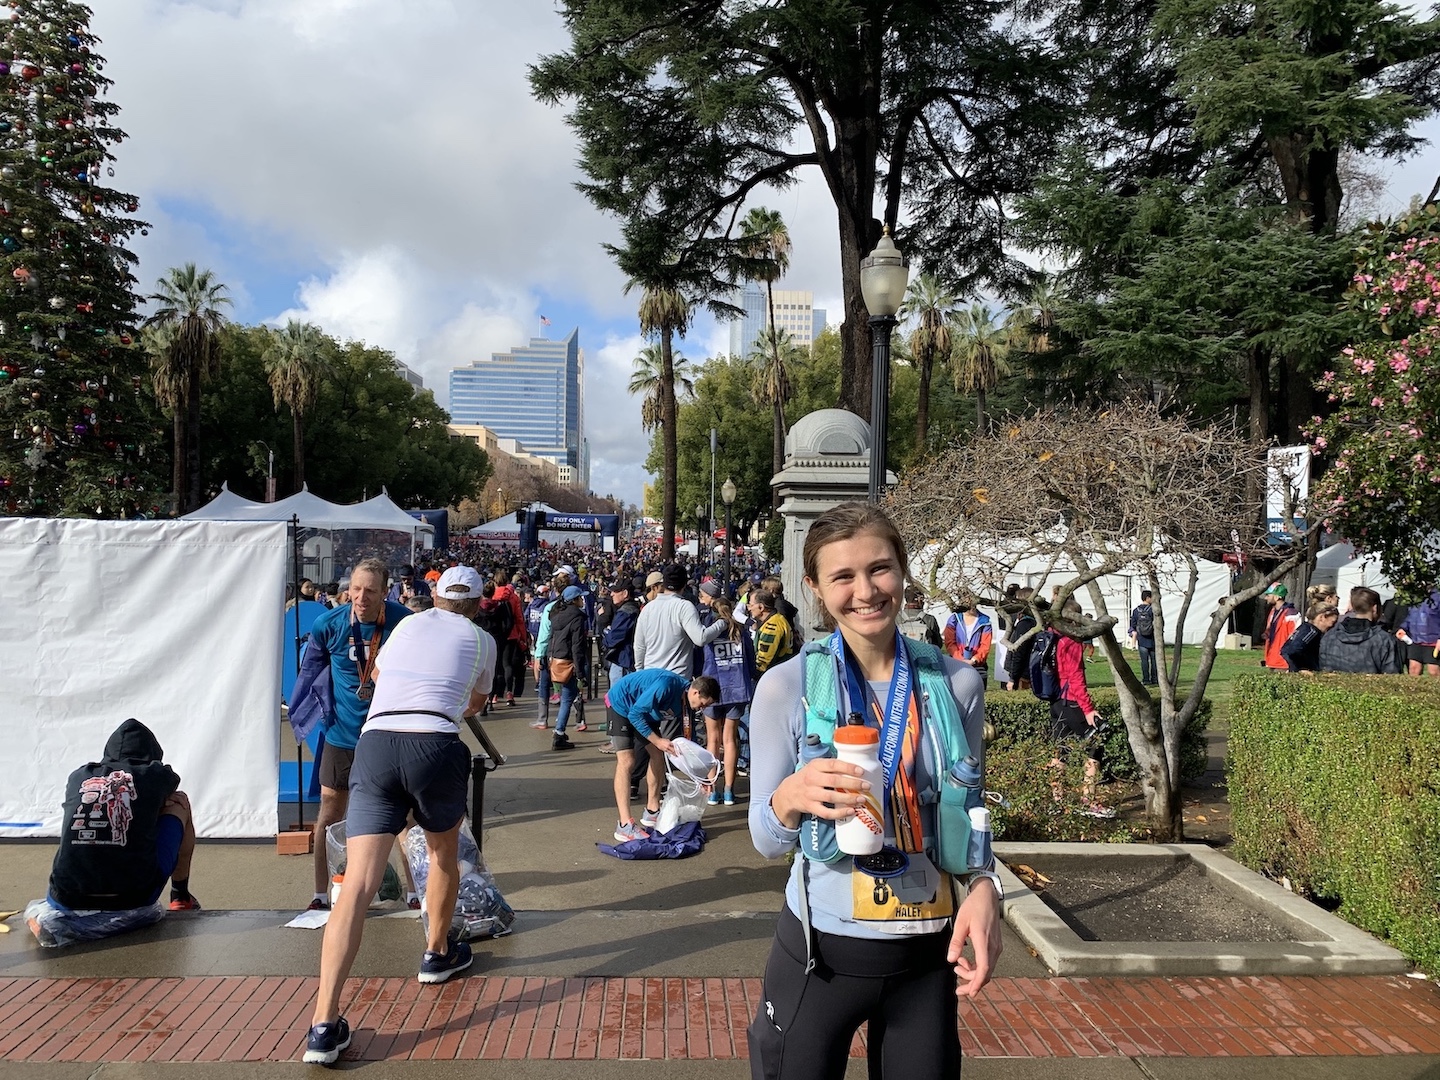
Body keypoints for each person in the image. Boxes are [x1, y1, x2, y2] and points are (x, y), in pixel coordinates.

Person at [746, 502, 1000, 1080]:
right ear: (813, 587)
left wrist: (985, 887)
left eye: (880, 568)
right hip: (820, 959)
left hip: (926, 959)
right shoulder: (786, 688)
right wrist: (790, 796)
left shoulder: (957, 682)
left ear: (904, 572)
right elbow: (764, 839)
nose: (866, 591)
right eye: (842, 576)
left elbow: (971, 811)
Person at [304, 565, 496, 1065]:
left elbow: (383, 678)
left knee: (360, 885)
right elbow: (475, 701)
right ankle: (436, 952)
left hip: (377, 743)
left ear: (435, 595)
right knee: (442, 852)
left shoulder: (407, 623)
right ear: (477, 603)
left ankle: (324, 1024)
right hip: (435, 741)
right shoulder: (480, 639)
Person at [299, 557, 412, 911]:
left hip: (387, 735)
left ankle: (413, 890)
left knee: (403, 816)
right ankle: (320, 894)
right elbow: (309, 672)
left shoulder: (404, 623)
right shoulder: (327, 624)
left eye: (371, 591)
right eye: (356, 589)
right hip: (341, 736)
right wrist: (309, 713)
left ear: (385, 592)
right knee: (329, 814)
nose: (361, 597)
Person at [42, 719, 199, 929]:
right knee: (180, 801)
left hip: (64, 896)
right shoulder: (154, 774)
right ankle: (180, 896)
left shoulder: (79, 775)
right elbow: (170, 785)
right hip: (133, 896)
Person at [606, 668, 719, 841]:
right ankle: (624, 825)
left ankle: (652, 811)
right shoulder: (666, 686)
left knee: (657, 755)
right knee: (627, 761)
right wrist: (658, 741)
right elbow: (634, 714)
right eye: (703, 703)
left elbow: (689, 744)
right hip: (621, 704)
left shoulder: (688, 703)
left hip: (643, 713)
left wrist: (701, 777)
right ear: (695, 692)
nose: (703, 709)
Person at [1049, 599, 1114, 817]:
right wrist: (1087, 709)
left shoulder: (1051, 635)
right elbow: (1076, 678)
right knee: (1096, 744)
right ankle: (1088, 801)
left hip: (1056, 700)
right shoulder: (1071, 641)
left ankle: (1057, 801)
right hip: (1071, 699)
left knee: (1061, 749)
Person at [700, 593, 757, 806]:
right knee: (730, 740)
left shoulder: (709, 632)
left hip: (711, 686)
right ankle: (729, 790)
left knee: (712, 739)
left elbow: (700, 657)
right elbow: (751, 662)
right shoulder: (740, 632)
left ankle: (712, 788)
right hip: (737, 687)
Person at [634, 563, 725, 676]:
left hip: (650, 675)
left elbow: (639, 646)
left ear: (664, 584)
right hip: (677, 678)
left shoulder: (647, 609)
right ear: (684, 585)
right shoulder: (685, 606)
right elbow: (701, 638)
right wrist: (722, 623)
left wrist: (639, 671)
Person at [1318, 586, 1406, 674]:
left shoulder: (1330, 636)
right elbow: (1392, 676)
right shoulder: (1384, 640)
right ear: (1375, 608)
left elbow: (1323, 669)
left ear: (1352, 606)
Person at [546, 584, 589, 749]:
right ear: (575, 600)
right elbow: (577, 646)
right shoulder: (577, 618)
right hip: (570, 662)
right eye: (580, 597)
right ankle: (559, 734)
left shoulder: (556, 615)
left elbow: (552, 638)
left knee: (566, 697)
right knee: (567, 699)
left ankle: (559, 732)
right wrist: (580, 673)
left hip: (557, 660)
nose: (582, 600)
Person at [942, 595, 993, 684]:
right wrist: (960, 659)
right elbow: (949, 642)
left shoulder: (985, 621)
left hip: (978, 666)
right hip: (956, 664)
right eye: (968, 604)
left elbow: (985, 646)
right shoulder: (954, 619)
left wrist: (974, 660)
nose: (971, 607)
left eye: (973, 604)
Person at [1281, 599, 1340, 672]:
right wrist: (1300, 669)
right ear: (1321, 617)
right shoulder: (1311, 632)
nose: (1333, 626)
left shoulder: (1305, 627)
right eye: (1333, 622)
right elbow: (1292, 651)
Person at [1002, 588, 1042, 692]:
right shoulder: (1038, 621)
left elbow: (1019, 652)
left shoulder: (1025, 624)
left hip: (1023, 675)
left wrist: (1013, 678)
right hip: (1032, 672)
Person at [750, 588, 795, 674]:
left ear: (761, 607)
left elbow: (764, 661)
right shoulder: (776, 619)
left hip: (774, 674)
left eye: (751, 605)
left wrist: (754, 674)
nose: (749, 609)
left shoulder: (772, 626)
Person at [1399, 590, 1440, 677]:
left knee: (1433, 671)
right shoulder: (1415, 598)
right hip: (1415, 639)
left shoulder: (1438, 597)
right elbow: (1410, 616)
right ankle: (1413, 690)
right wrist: (1403, 628)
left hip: (1433, 641)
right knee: (1413, 669)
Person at [1261, 583, 1299, 670]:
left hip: (1283, 661)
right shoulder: (1273, 611)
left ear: (1277, 597)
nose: (1266, 598)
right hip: (1272, 659)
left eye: (1268, 595)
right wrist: (1266, 634)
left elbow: (1295, 636)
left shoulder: (1291, 614)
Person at [1128, 590, 1159, 687]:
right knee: (1154, 661)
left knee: (1144, 661)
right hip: (1152, 639)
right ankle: (1155, 679)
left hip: (1141, 640)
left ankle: (1146, 679)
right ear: (1148, 598)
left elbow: (1132, 625)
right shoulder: (1153, 610)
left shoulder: (1136, 611)